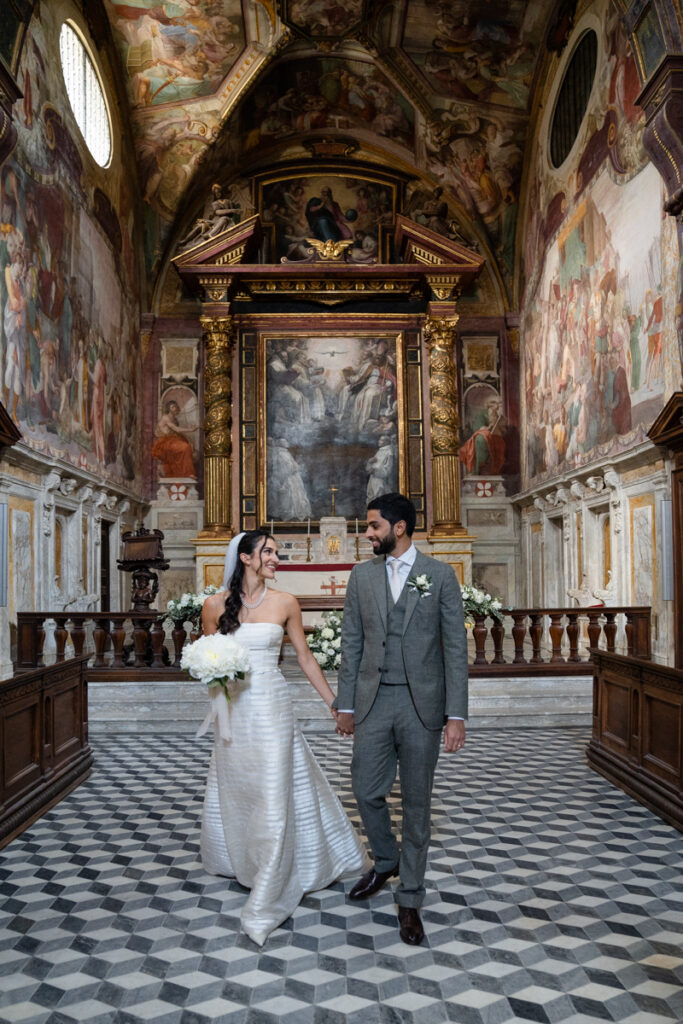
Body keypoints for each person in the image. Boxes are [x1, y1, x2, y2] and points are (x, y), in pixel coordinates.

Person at [200, 531, 369, 946]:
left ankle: (271, 883)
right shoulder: (213, 606)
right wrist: (217, 683)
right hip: (234, 707)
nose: (277, 558)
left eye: (277, 552)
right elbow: (204, 657)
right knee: (243, 788)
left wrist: (336, 704)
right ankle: (248, 859)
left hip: (272, 707)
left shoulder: (286, 602)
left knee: (275, 788)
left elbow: (305, 659)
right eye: (268, 552)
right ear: (245, 558)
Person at [334, 493, 467, 946]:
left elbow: (455, 650)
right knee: (366, 790)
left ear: (400, 528)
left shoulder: (441, 575)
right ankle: (386, 860)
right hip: (372, 703)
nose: (367, 534)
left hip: (421, 706)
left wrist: (456, 715)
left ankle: (409, 899)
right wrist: (345, 705)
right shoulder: (360, 577)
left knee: (416, 805)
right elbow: (351, 644)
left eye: (373, 526)